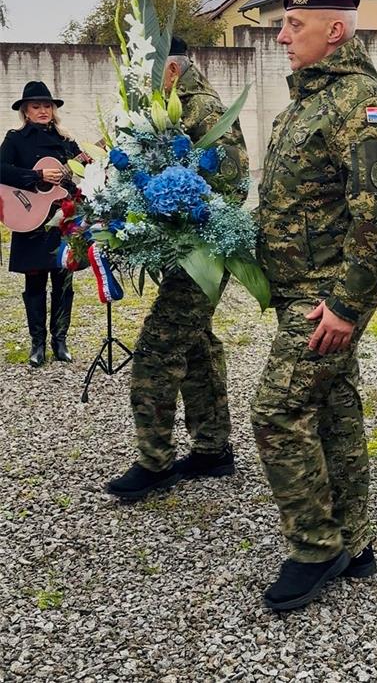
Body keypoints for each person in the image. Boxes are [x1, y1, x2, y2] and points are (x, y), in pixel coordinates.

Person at [251, 0, 377, 612]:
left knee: (276, 412)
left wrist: (346, 305)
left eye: (294, 26)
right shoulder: (305, 101)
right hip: (298, 290)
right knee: (334, 411)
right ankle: (353, 540)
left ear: (334, 31)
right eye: (284, 25)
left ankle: (315, 548)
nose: (282, 37)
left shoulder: (359, 103)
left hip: (324, 297)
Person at [107, 37, 249, 501]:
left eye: (148, 71)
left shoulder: (202, 107)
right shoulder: (167, 106)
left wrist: (180, 215)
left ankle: (156, 462)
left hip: (203, 251)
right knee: (197, 345)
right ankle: (212, 449)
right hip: (181, 249)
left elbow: (233, 184)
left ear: (170, 69)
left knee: (159, 347)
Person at [0, 81, 89, 366]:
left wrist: (85, 166)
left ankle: (60, 341)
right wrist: (37, 177)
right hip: (30, 220)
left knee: (64, 282)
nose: (42, 110)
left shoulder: (65, 141)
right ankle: (37, 344)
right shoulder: (15, 139)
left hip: (62, 218)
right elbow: (1, 170)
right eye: (36, 106)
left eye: (47, 106)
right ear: (25, 111)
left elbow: (79, 174)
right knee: (35, 283)